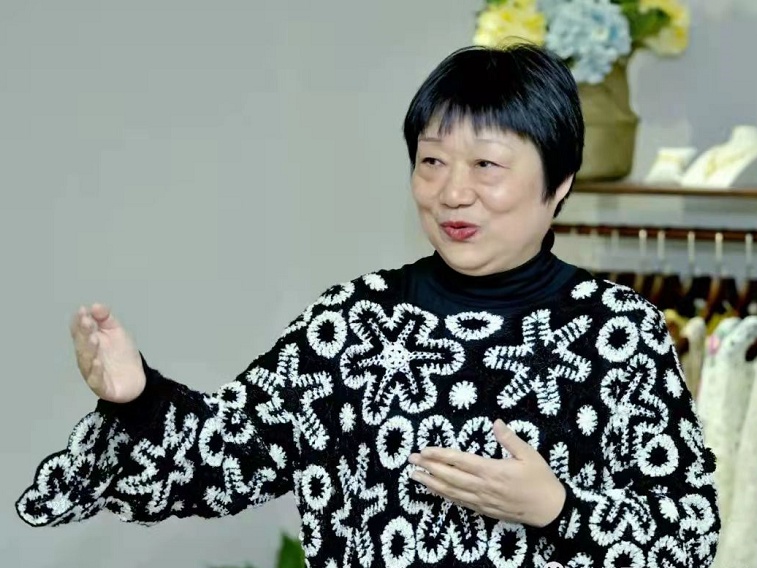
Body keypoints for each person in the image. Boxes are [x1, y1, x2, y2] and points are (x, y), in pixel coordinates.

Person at [16, 43, 720, 568]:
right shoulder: (354, 323)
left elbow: (687, 539)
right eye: (431, 161)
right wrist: (138, 396)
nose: (452, 192)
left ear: (559, 182)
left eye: (486, 165)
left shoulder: (617, 332)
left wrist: (556, 510)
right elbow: (222, 462)